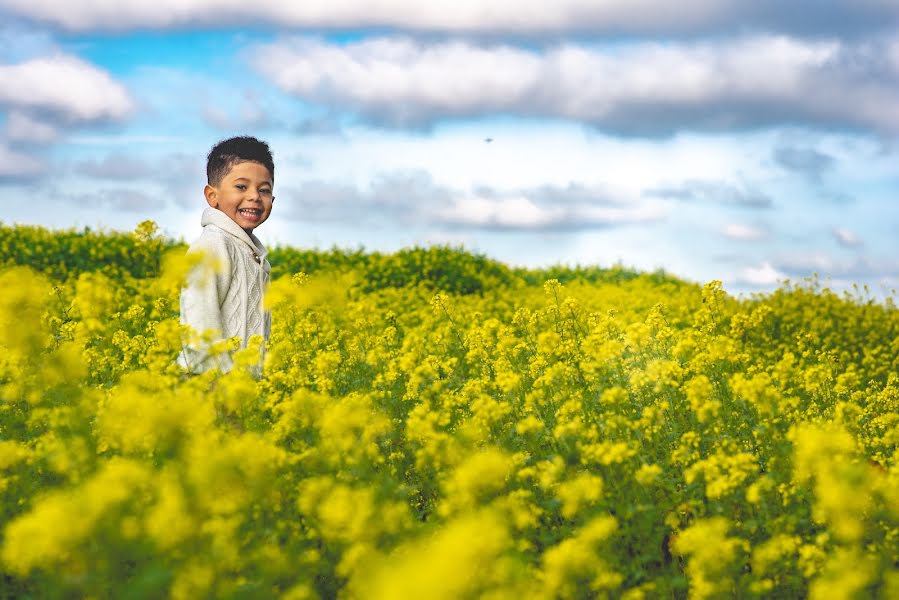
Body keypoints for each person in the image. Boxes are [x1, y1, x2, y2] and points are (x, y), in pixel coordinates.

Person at [178, 135, 275, 374]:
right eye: (241, 187)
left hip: (241, 393)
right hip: (209, 385)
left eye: (264, 190)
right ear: (213, 196)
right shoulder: (212, 247)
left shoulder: (256, 257)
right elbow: (200, 324)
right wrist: (217, 384)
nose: (254, 196)